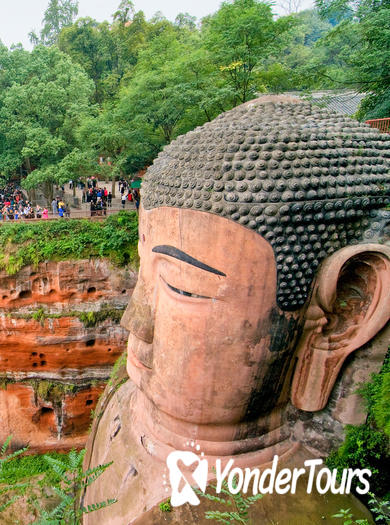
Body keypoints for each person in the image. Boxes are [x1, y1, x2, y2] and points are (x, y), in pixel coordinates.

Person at [82, 96, 390, 524]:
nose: (135, 321)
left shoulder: (310, 509)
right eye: (142, 273)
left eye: (182, 287)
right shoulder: (120, 407)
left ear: (342, 314)